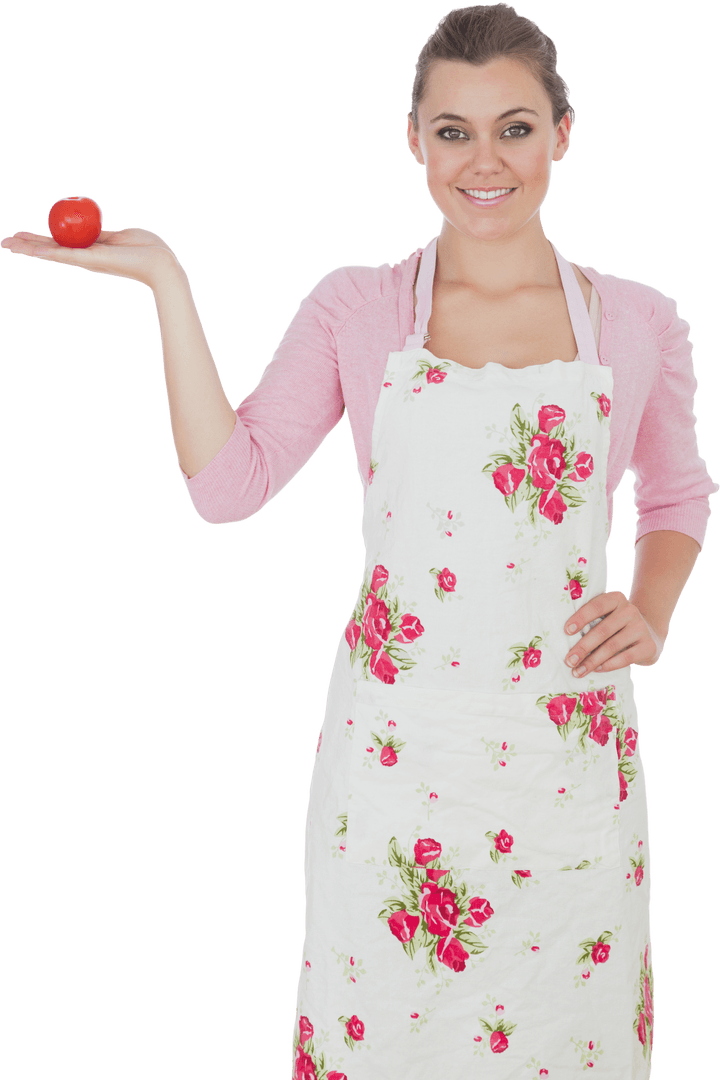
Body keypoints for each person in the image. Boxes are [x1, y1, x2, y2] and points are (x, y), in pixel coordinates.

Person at [2, 4, 718, 1077]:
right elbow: (228, 487)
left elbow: (677, 496)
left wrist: (653, 611)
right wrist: (168, 284)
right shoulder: (359, 308)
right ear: (414, 141)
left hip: (564, 767)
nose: (485, 161)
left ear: (565, 133)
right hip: (400, 763)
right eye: (453, 131)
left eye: (515, 128)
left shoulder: (637, 321)